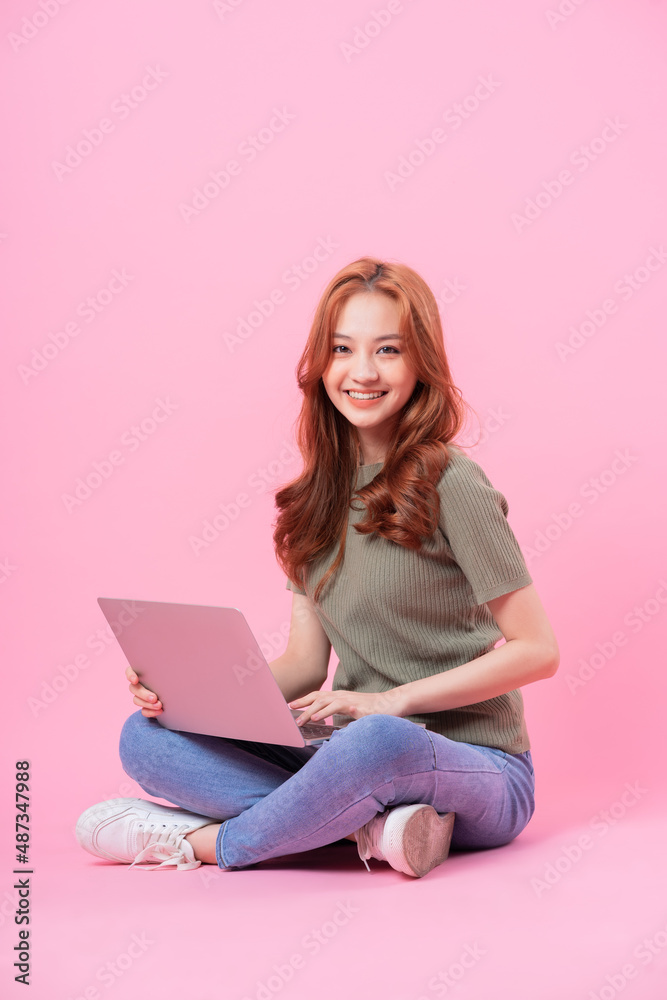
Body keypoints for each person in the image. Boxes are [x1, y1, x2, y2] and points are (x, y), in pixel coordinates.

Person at [76, 257, 559, 879]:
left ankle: (207, 844)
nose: (363, 372)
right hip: (347, 757)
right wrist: (189, 698)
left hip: (476, 766)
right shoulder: (316, 500)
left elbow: (538, 650)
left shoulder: (453, 482)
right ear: (320, 364)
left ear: (421, 363)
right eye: (342, 349)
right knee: (145, 738)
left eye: (388, 350)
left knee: (376, 741)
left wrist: (393, 701)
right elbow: (305, 665)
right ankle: (372, 827)